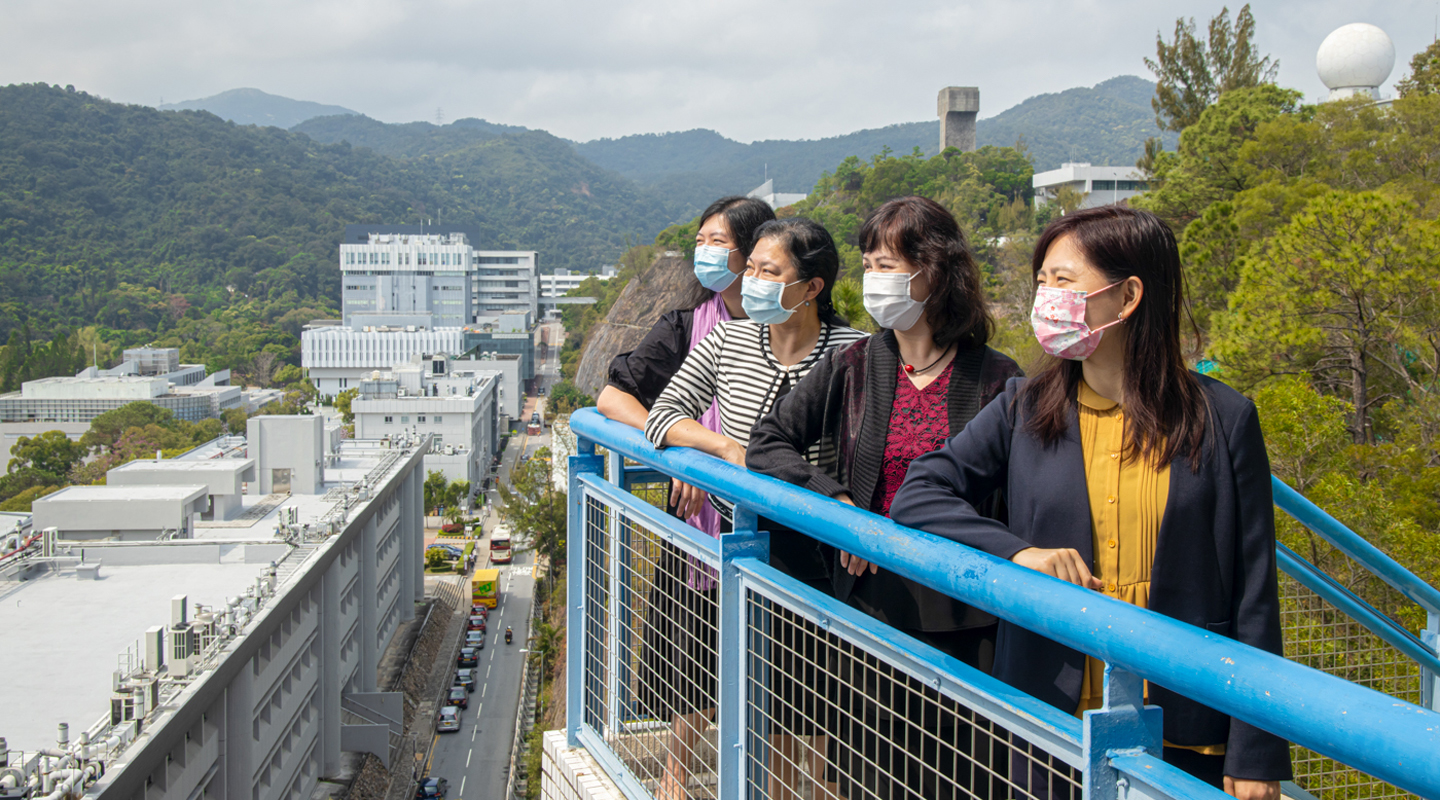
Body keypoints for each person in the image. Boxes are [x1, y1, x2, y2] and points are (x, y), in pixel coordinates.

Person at [890, 206, 1291, 798]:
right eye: (1042, 281)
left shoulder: (1223, 418)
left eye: (1064, 281)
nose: (1045, 298)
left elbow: (1253, 587)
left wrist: (1257, 750)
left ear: (1127, 296)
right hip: (1049, 709)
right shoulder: (1022, 406)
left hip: (1182, 715)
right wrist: (1018, 553)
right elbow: (919, 493)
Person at [746, 196, 1023, 797]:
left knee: (960, 778)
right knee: (867, 774)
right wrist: (837, 502)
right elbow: (768, 443)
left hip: (965, 613)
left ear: (936, 272)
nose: (875, 280)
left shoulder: (999, 379)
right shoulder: (857, 364)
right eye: (869, 264)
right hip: (871, 605)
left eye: (889, 264)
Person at [644, 216, 865, 800]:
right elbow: (663, 417)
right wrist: (724, 448)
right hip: (737, 545)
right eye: (753, 269)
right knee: (750, 690)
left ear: (812, 287)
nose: (754, 281)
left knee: (806, 706)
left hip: (815, 551)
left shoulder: (852, 354)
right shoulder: (728, 339)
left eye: (771, 271)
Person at [596, 196, 773, 800]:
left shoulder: (787, 332)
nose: (705, 252)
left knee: (776, 667)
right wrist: (681, 450)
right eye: (701, 239)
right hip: (697, 527)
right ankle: (676, 776)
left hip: (769, 519)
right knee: (691, 660)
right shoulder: (685, 327)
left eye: (718, 240)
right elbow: (614, 397)